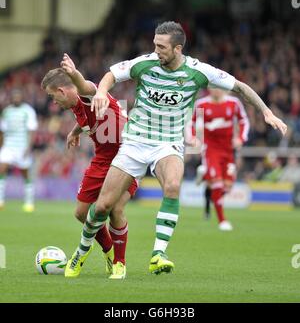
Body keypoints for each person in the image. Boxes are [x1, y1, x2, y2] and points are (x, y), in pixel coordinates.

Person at [65, 21, 287, 277]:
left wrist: (266, 112)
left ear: (178, 48)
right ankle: (81, 252)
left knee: (172, 186)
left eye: (161, 47)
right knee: (103, 207)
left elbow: (240, 87)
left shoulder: (198, 71)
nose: (156, 50)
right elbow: (111, 74)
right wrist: (102, 91)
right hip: (135, 142)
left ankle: (158, 254)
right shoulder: (145, 63)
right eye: (154, 45)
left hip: (168, 144)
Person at [41, 54, 137, 279]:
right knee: (81, 213)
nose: (54, 103)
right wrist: (75, 131)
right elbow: (86, 119)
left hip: (129, 156)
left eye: (53, 98)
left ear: (63, 91)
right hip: (102, 158)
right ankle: (108, 250)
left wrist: (74, 73)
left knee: (115, 209)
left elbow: (84, 85)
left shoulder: (87, 94)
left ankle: (119, 263)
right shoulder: (75, 106)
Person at [191, 88, 250, 231]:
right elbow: (190, 122)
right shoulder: (201, 104)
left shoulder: (234, 103)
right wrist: (194, 138)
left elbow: (244, 121)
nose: (216, 90)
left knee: (227, 187)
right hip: (210, 150)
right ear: (209, 88)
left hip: (228, 151)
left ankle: (204, 175)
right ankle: (222, 221)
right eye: (213, 87)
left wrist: (241, 138)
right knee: (217, 184)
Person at [0, 89, 38, 212]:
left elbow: (32, 130)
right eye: (14, 96)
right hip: (8, 146)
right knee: (2, 169)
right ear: (12, 98)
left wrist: (28, 147)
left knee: (25, 174)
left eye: (18, 96)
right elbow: (2, 131)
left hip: (22, 146)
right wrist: (2, 146)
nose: (16, 98)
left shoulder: (28, 111)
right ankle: (0, 200)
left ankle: (29, 202)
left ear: (22, 97)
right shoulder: (7, 111)